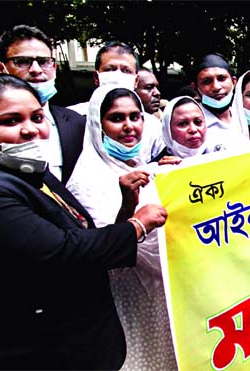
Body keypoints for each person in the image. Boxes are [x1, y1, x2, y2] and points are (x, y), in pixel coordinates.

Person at [0, 74, 167, 370]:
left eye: (37, 117)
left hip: (89, 340)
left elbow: (86, 232)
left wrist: (128, 207)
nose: (30, 130)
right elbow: (61, 250)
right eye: (10, 121)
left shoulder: (33, 174)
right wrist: (137, 226)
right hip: (44, 349)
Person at [66, 85, 177, 370]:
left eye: (135, 116)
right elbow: (104, 248)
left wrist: (177, 178)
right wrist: (129, 209)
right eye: (117, 118)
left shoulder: (146, 167)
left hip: (164, 294)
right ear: (97, 124)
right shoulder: (86, 180)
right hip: (126, 298)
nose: (129, 126)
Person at [0, 24, 86, 185]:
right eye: (23, 62)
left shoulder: (77, 123)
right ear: (0, 68)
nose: (36, 70)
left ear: (54, 67)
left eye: (44, 62)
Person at [67, 42, 165, 162]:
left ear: (136, 81)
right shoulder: (71, 118)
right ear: (96, 78)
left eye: (126, 70)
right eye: (110, 69)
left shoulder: (153, 126)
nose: (118, 75)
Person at [192, 53, 249, 151]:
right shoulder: (191, 127)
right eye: (207, 81)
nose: (216, 87)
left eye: (221, 79)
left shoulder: (247, 117)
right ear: (195, 88)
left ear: (234, 82)